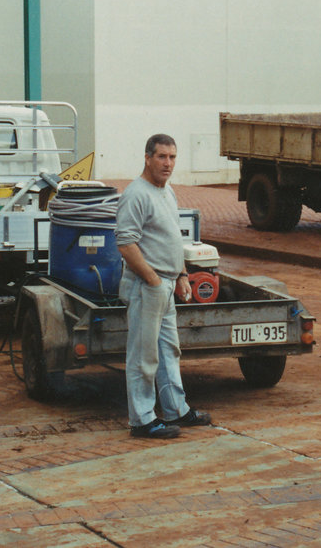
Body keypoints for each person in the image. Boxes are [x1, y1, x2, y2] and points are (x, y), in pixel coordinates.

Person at [115, 134, 212, 439]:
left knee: (169, 351)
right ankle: (141, 419)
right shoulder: (136, 194)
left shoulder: (166, 191)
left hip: (167, 284)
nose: (168, 163)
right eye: (161, 157)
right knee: (144, 356)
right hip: (148, 286)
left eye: (172, 157)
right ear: (147, 158)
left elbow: (173, 237)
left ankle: (175, 409)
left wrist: (182, 274)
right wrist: (153, 279)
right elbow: (126, 243)